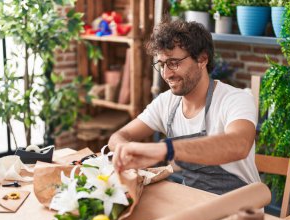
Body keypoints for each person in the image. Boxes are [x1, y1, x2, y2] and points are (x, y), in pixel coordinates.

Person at [109, 19, 260, 195]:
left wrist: (165, 150)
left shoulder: (235, 99)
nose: (166, 74)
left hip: (242, 208)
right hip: (193, 202)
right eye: (162, 64)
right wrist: (124, 150)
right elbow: (119, 136)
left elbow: (239, 144)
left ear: (202, 59)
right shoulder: (166, 103)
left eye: (174, 63)